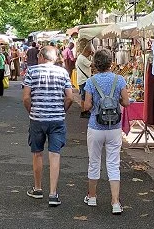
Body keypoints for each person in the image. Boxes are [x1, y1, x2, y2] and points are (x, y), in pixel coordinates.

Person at [23, 45, 74, 206]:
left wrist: (32, 111)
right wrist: (62, 110)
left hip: (37, 118)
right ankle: (53, 193)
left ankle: (38, 189)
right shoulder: (63, 72)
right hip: (57, 119)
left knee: (37, 153)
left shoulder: (32, 72)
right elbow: (70, 97)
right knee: (55, 154)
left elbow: (26, 97)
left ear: (42, 57)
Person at [82, 48, 130, 214]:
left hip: (96, 126)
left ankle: (92, 196)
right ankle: (115, 202)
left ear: (95, 64)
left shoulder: (91, 81)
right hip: (114, 128)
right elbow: (126, 102)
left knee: (94, 161)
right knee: (113, 163)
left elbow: (87, 105)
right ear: (111, 63)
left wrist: (93, 105)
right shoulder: (119, 80)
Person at [76, 43, 94, 118]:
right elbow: (92, 65)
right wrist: (93, 56)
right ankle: (84, 111)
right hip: (84, 80)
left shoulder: (81, 57)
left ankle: (85, 110)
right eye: (89, 53)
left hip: (83, 79)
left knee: (85, 96)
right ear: (87, 52)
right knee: (84, 96)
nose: (89, 55)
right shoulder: (82, 58)